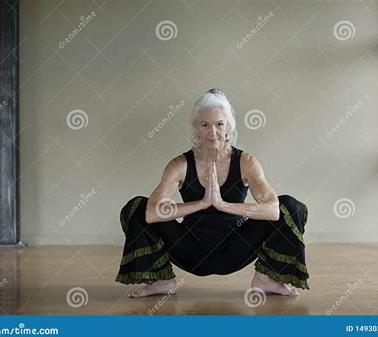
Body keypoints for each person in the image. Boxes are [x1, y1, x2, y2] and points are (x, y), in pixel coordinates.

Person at [116, 88, 309, 298]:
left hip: (235, 248)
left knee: (289, 206)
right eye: (205, 125)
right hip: (190, 250)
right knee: (137, 207)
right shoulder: (179, 165)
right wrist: (201, 203)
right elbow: (151, 213)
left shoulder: (246, 163)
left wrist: (221, 204)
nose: (213, 132)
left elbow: (273, 210)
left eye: (219, 124)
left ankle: (266, 279)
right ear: (195, 128)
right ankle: (162, 280)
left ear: (228, 127)